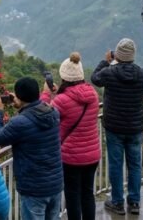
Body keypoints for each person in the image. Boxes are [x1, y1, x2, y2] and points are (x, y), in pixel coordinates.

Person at [0, 76, 62, 220]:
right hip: (55, 184)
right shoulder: (53, 112)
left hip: (34, 188)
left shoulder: (20, 123)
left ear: (21, 97)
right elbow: (33, 109)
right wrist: (19, 102)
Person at [91, 38, 143, 215]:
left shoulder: (109, 72)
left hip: (114, 126)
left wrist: (105, 61)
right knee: (135, 165)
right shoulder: (142, 74)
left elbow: (95, 78)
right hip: (135, 126)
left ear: (118, 54)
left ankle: (117, 202)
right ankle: (134, 202)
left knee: (116, 164)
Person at [43, 52, 101, 220]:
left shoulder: (61, 100)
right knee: (87, 194)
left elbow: (44, 115)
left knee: (73, 196)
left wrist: (48, 94)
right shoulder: (93, 95)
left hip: (71, 157)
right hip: (92, 155)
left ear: (64, 77)